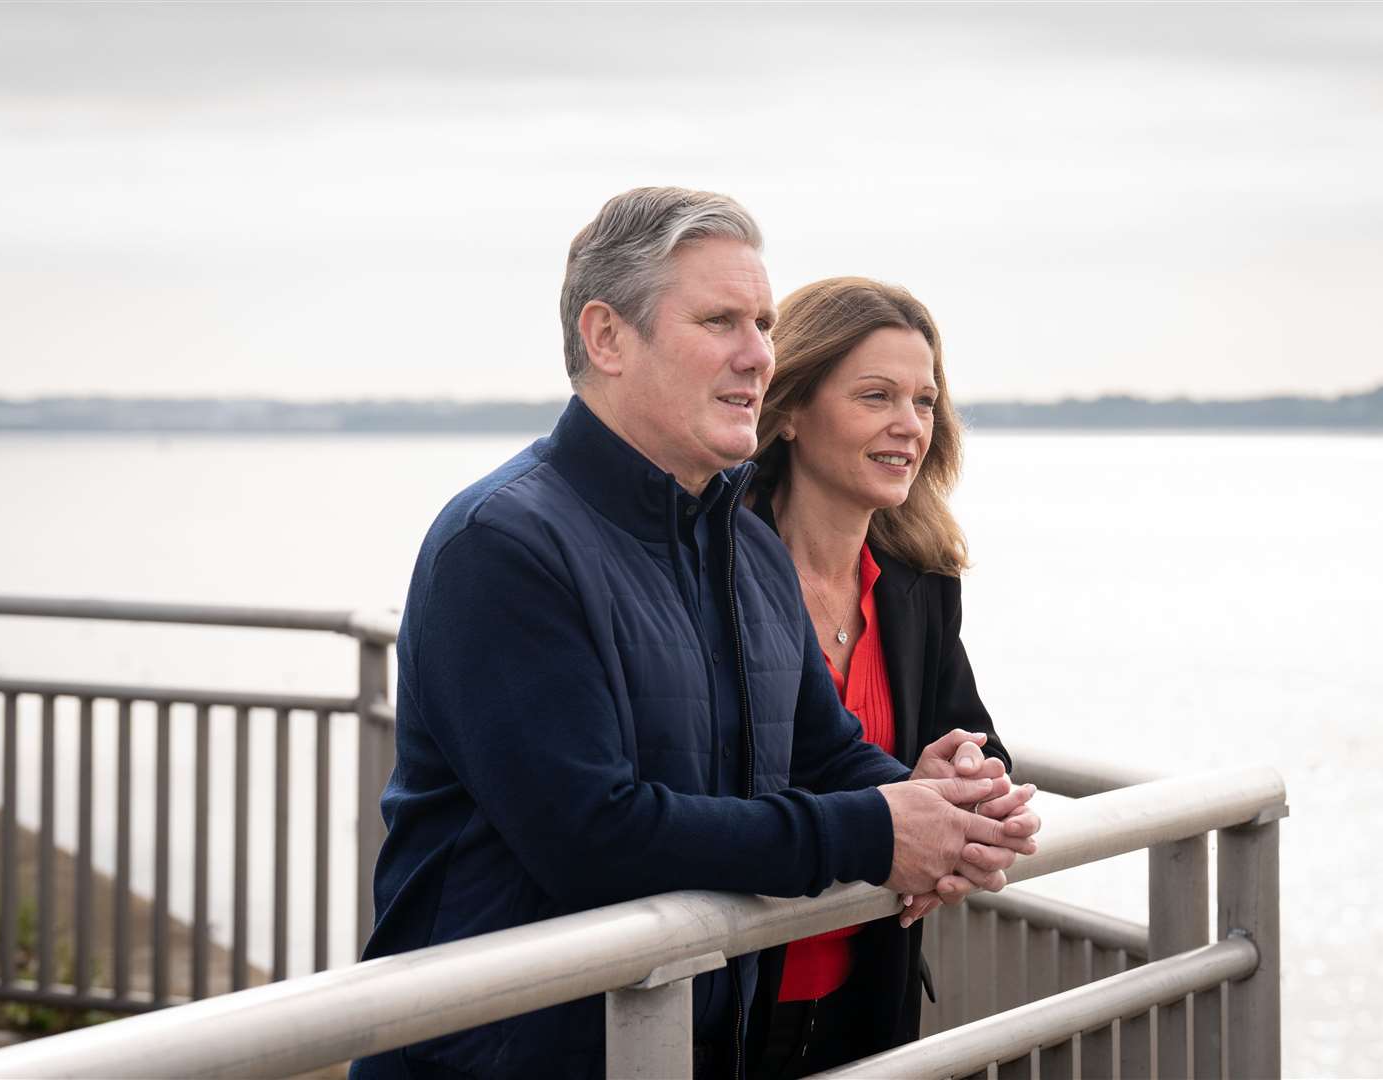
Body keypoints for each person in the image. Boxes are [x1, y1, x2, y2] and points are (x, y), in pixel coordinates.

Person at [351, 188, 1040, 1080]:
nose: (759, 354)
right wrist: (878, 833)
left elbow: (826, 754)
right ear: (607, 339)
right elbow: (592, 838)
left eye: (762, 322)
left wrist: (932, 799)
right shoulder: (504, 544)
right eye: (721, 321)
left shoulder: (743, 545)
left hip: (687, 1044)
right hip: (499, 1056)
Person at [742, 277, 1011, 1077]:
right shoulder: (716, 568)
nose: (908, 426)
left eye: (925, 402)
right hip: (727, 1000)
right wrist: (899, 810)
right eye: (876, 396)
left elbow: (973, 736)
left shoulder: (916, 579)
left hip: (867, 1000)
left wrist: (970, 794)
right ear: (787, 410)